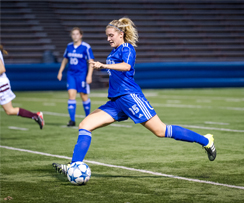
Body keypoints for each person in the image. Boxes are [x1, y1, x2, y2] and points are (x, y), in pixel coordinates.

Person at [53, 17, 216, 174]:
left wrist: (102, 65)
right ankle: (74, 165)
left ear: (120, 34)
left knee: (160, 131)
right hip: (116, 102)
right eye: (107, 36)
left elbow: (126, 66)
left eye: (111, 35)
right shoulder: (113, 52)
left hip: (130, 97)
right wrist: (104, 64)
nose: (108, 39)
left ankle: (206, 141)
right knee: (84, 125)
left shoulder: (127, 48)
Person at [0, 45, 44, 129]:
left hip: (1, 84)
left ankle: (36, 116)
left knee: (9, 111)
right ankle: (36, 116)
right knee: (9, 111)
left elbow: (2, 69)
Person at [57, 27, 94, 127]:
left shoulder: (86, 47)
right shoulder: (69, 46)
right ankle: (72, 120)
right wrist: (60, 71)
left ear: (81, 35)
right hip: (71, 74)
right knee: (71, 96)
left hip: (82, 75)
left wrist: (89, 75)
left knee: (83, 96)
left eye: (77, 34)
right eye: (73, 34)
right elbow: (65, 60)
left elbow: (91, 62)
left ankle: (88, 118)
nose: (75, 36)